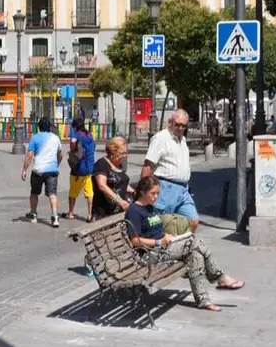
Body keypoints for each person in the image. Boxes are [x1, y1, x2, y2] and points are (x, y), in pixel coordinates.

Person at [126, 176, 243, 311]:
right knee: (193, 241)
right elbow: (134, 241)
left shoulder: (150, 207)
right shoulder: (134, 211)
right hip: (150, 254)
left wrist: (167, 236)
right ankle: (220, 277)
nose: (156, 196)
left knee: (195, 255)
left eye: (158, 193)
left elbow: (155, 230)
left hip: (163, 247)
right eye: (153, 193)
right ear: (142, 192)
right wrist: (159, 241)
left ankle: (203, 300)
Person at [142, 109, 198, 232]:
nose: (180, 128)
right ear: (170, 122)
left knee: (193, 221)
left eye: (183, 126)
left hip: (183, 190)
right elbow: (148, 165)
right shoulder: (161, 138)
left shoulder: (182, 139)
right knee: (162, 225)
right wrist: (143, 191)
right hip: (165, 188)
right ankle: (165, 248)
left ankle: (178, 246)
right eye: (177, 124)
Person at [20, 117, 63, 227]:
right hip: (52, 170)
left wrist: (24, 170)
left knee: (34, 192)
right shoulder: (55, 138)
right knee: (52, 194)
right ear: (49, 127)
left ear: (38, 127)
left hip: (38, 170)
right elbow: (60, 155)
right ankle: (55, 217)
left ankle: (33, 214)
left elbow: (29, 156)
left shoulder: (35, 138)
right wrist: (56, 164)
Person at [91, 136, 135, 220]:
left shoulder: (119, 164)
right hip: (104, 213)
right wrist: (120, 201)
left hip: (118, 212)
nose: (125, 156)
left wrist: (136, 192)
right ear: (112, 151)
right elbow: (102, 185)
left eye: (126, 153)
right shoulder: (102, 164)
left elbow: (122, 184)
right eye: (122, 153)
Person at [67, 118, 96, 221]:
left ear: (75, 127)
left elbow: (73, 141)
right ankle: (89, 214)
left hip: (78, 168)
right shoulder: (89, 135)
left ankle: (70, 213)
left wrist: (72, 149)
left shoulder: (77, 134)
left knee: (73, 192)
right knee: (89, 192)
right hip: (89, 167)